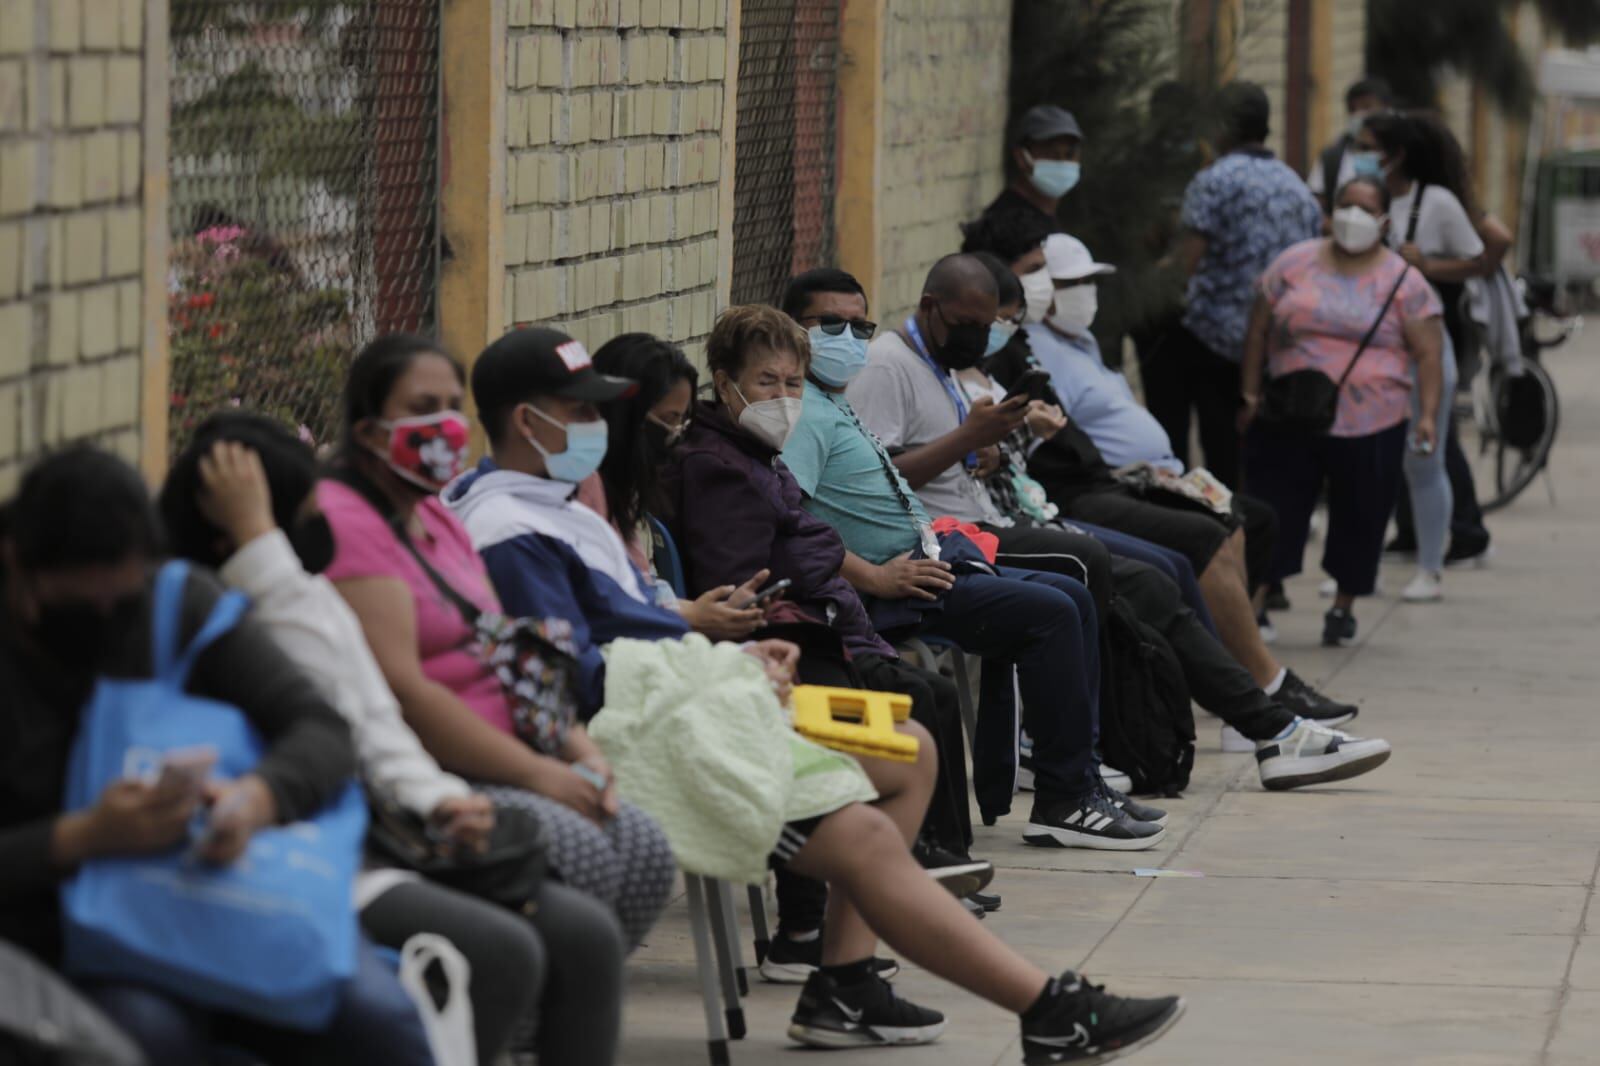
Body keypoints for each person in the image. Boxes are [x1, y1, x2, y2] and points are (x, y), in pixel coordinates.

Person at [434, 326, 1180, 1059]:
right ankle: (1047, 1008)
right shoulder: (508, 528)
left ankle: (844, 983)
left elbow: (634, 624)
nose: (602, 426)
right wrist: (719, 665)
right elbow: (572, 676)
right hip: (651, 735)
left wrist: (741, 654)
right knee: (859, 832)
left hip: (697, 695)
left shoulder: (560, 501)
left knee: (908, 748)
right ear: (528, 422)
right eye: (583, 410)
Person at [159, 412, 627, 1066]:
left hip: (376, 830)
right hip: (296, 861)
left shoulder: (307, 592)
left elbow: (374, 718)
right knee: (501, 949)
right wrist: (260, 543)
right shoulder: (200, 608)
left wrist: (438, 801)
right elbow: (325, 698)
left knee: (586, 936)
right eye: (290, 514)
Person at [0, 447, 432, 1066]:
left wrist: (254, 799)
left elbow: (320, 729)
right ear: (16, 560)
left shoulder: (171, 606)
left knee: (378, 1022)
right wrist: (79, 838)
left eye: (118, 607)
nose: (104, 625)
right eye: (76, 608)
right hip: (64, 930)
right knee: (149, 1037)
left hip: (212, 885)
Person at [634, 315, 995, 969]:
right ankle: (819, 923)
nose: (782, 398)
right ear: (725, 384)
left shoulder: (755, 456)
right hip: (783, 651)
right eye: (765, 382)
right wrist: (811, 584)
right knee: (895, 719)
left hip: (814, 636)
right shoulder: (719, 469)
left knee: (913, 715)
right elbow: (744, 585)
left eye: (793, 383)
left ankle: (895, 891)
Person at [957, 253, 1393, 789]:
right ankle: (1253, 720)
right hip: (992, 528)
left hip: (1022, 512)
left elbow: (987, 462)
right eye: (986, 322)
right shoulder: (907, 370)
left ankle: (1255, 716)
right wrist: (994, 438)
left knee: (1184, 557)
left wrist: (1007, 439)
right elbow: (938, 467)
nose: (997, 330)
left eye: (1002, 319)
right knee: (1140, 573)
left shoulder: (999, 362)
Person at [775, 270, 1163, 848]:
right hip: (883, 590)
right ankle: (1061, 800)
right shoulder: (800, 410)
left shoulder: (832, 398)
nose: (848, 337)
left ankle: (1077, 782)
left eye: (859, 324)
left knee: (1074, 596)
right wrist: (876, 574)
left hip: (926, 560)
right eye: (829, 324)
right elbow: (791, 527)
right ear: (792, 330)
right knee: (1051, 611)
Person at [318, 333, 674, 955]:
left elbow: (508, 647)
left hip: (518, 744)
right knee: (584, 854)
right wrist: (542, 774)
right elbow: (404, 691)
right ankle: (517, 1021)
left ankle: (553, 1014)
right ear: (370, 427)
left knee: (644, 852)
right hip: (439, 772)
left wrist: (579, 751)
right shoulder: (347, 521)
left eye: (452, 405)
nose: (446, 425)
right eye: (422, 406)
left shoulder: (434, 516)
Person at [1239, 177, 1447, 648]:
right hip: (1289, 411)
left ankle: (1343, 607)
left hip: (1373, 418)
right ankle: (1258, 600)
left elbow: (1428, 353)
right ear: (1330, 212)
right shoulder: (1293, 263)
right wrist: (1250, 395)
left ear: (1384, 221)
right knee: (1273, 508)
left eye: (1364, 208)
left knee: (1361, 512)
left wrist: (1429, 416)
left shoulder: (1403, 281)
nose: (1352, 215)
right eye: (1344, 205)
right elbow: (1257, 330)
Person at [1359, 109, 1509, 583]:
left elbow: (1482, 257)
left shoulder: (1438, 201)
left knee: (1432, 439)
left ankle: (1462, 533)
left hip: (1432, 331)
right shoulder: (1376, 198)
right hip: (1385, 339)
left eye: (1370, 149)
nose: (1361, 158)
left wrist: (1427, 265)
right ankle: (1409, 533)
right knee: (1399, 441)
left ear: (1396, 155)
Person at [1160, 81, 1324, 486]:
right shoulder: (1297, 188)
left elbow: (1186, 265)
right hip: (1276, 345)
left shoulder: (1214, 181)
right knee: (1263, 453)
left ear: (1223, 127)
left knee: (1219, 452)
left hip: (1213, 340)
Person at [981, 104, 1082, 231]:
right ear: (1021, 157)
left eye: (1069, 154)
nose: (1062, 162)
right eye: (1051, 154)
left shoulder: (1046, 217)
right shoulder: (1007, 224)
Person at [1308, 77, 1394, 214]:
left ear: (1387, 109)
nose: (1359, 114)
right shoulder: (1331, 158)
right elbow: (1315, 210)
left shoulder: (1401, 157)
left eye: (1367, 107)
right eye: (1353, 109)